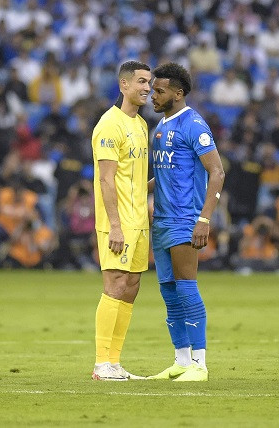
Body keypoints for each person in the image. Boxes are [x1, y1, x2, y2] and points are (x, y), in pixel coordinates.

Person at [147, 63, 225, 382]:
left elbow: (217, 172)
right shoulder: (161, 127)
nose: (153, 95)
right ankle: (180, 360)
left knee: (187, 287)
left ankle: (200, 364)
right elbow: (164, 177)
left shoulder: (194, 124)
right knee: (169, 291)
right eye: (152, 89)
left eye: (159, 90)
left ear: (178, 94)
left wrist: (204, 218)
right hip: (161, 221)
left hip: (184, 219)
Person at [91, 60, 152, 381]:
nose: (146, 87)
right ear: (123, 85)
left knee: (130, 287)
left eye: (149, 82)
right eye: (141, 81)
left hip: (139, 220)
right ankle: (101, 364)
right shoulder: (109, 125)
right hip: (118, 222)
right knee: (114, 284)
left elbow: (135, 180)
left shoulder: (141, 125)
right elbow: (105, 180)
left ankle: (115, 362)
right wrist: (115, 224)